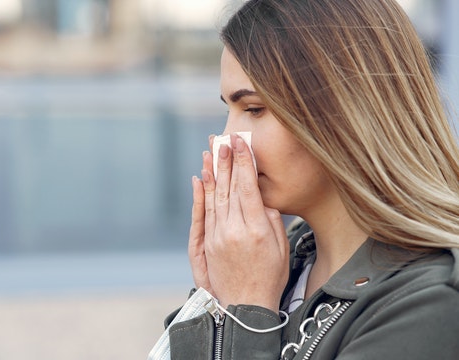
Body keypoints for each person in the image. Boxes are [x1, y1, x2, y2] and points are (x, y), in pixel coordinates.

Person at [151, 0, 459, 359]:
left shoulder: (431, 304)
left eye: (253, 109)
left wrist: (247, 310)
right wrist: (216, 302)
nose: (226, 141)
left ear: (345, 112)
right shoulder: (274, 263)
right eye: (228, 110)